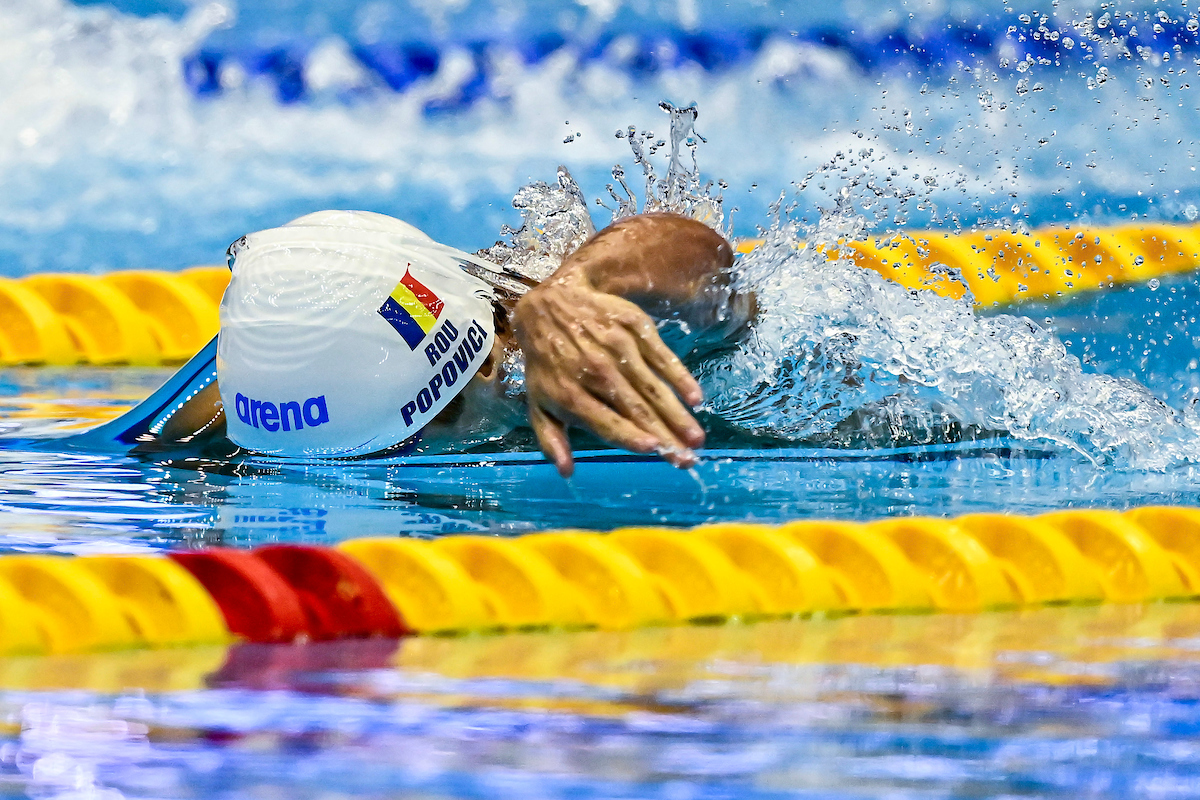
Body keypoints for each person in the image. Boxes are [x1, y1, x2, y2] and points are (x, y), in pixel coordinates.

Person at [156, 209, 755, 477]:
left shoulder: (585, 343)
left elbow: (714, 270)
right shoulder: (273, 402)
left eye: (411, 437)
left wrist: (579, 285)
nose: (391, 464)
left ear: (491, 358)